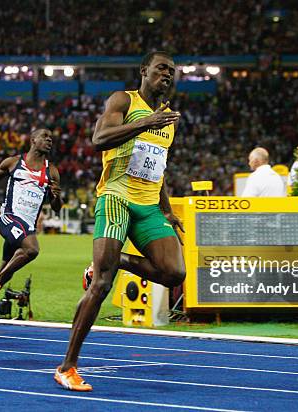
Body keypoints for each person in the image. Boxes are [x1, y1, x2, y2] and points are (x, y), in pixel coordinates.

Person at [55, 51, 184, 392]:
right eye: (161, 69)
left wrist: (167, 208)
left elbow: (158, 165)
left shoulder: (167, 118)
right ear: (144, 71)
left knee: (174, 273)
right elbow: (99, 140)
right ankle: (67, 366)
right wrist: (144, 122)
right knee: (101, 285)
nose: (167, 75)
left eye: (172, 71)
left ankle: (120, 261)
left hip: (148, 206)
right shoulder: (123, 100)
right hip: (116, 198)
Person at [0, 128, 63, 332]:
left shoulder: (51, 171)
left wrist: (56, 196)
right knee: (32, 250)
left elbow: (57, 208)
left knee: (5, 271)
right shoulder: (14, 162)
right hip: (8, 218)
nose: (49, 139)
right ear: (33, 139)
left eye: (51, 137)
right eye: (45, 136)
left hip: (28, 226)